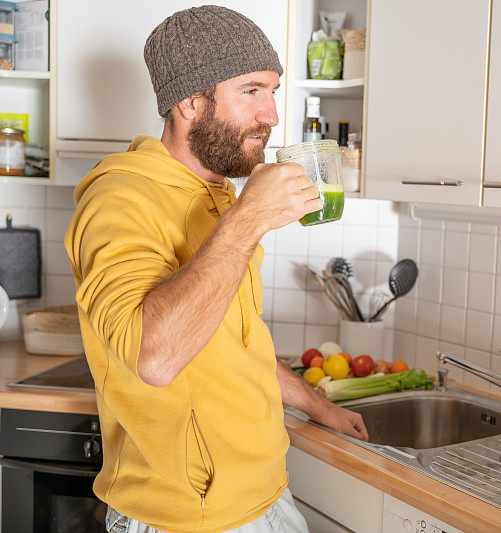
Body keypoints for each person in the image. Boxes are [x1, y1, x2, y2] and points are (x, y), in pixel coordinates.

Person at [64, 6, 367, 533]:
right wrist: (248, 220)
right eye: (252, 91)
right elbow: (155, 359)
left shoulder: (219, 195)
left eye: (273, 91)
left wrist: (318, 406)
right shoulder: (119, 199)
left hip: (265, 493)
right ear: (190, 101)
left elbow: (229, 345)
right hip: (186, 516)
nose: (272, 114)